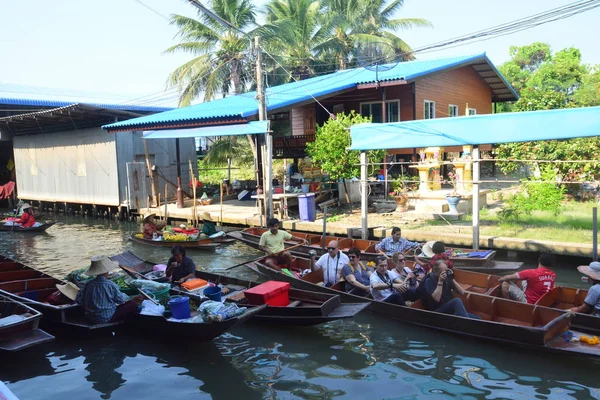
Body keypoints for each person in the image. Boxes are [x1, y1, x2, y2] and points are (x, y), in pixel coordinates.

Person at [75, 256, 139, 324]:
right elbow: (120, 300)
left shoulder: (87, 284)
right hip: (107, 318)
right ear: (107, 271)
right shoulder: (110, 285)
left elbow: (79, 300)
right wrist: (131, 298)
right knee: (132, 304)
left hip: (90, 317)